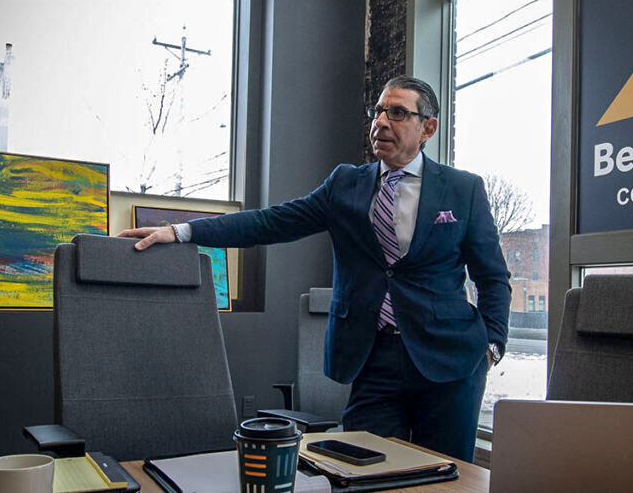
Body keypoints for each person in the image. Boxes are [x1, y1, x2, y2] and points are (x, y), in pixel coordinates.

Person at [119, 76, 511, 462]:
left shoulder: (463, 189)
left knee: (445, 477)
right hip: (373, 359)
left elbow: (492, 276)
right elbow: (269, 222)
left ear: (428, 127)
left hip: (450, 361)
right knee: (362, 471)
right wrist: (182, 231)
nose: (381, 123)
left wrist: (493, 345)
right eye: (378, 111)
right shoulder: (345, 184)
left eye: (397, 113)